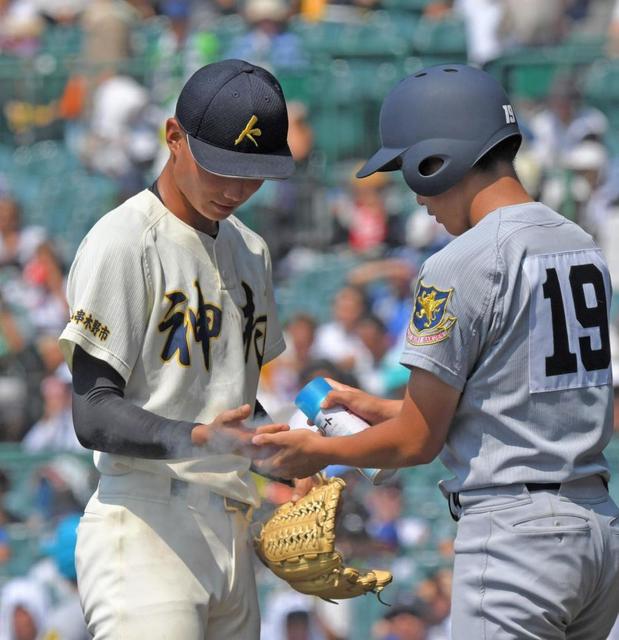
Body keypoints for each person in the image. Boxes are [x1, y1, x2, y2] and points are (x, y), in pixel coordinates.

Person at [253, 63, 619, 639]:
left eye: (408, 168)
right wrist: (375, 407)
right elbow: (511, 404)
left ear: (438, 159)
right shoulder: (580, 244)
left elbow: (417, 442)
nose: (416, 198)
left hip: (516, 536)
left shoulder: (459, 263)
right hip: (597, 529)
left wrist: (315, 451)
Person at [58, 59, 308, 639]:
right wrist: (198, 437)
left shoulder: (253, 251)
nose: (235, 189)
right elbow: (92, 408)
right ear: (174, 137)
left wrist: (287, 461)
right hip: (147, 523)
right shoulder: (123, 240)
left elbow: (233, 403)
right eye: (222, 167)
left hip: (232, 526)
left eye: (252, 173)